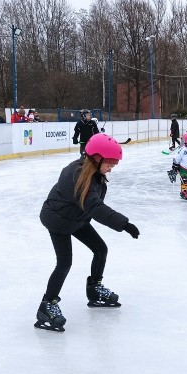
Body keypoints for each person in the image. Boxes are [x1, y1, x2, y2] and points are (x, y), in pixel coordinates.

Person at [35, 134, 140, 332]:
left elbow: (92, 205)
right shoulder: (77, 175)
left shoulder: (94, 174)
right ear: (97, 158)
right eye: (110, 163)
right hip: (58, 219)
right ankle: (46, 306)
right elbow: (94, 206)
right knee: (64, 262)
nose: (112, 168)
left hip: (76, 218)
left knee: (100, 249)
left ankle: (94, 290)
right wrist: (124, 224)